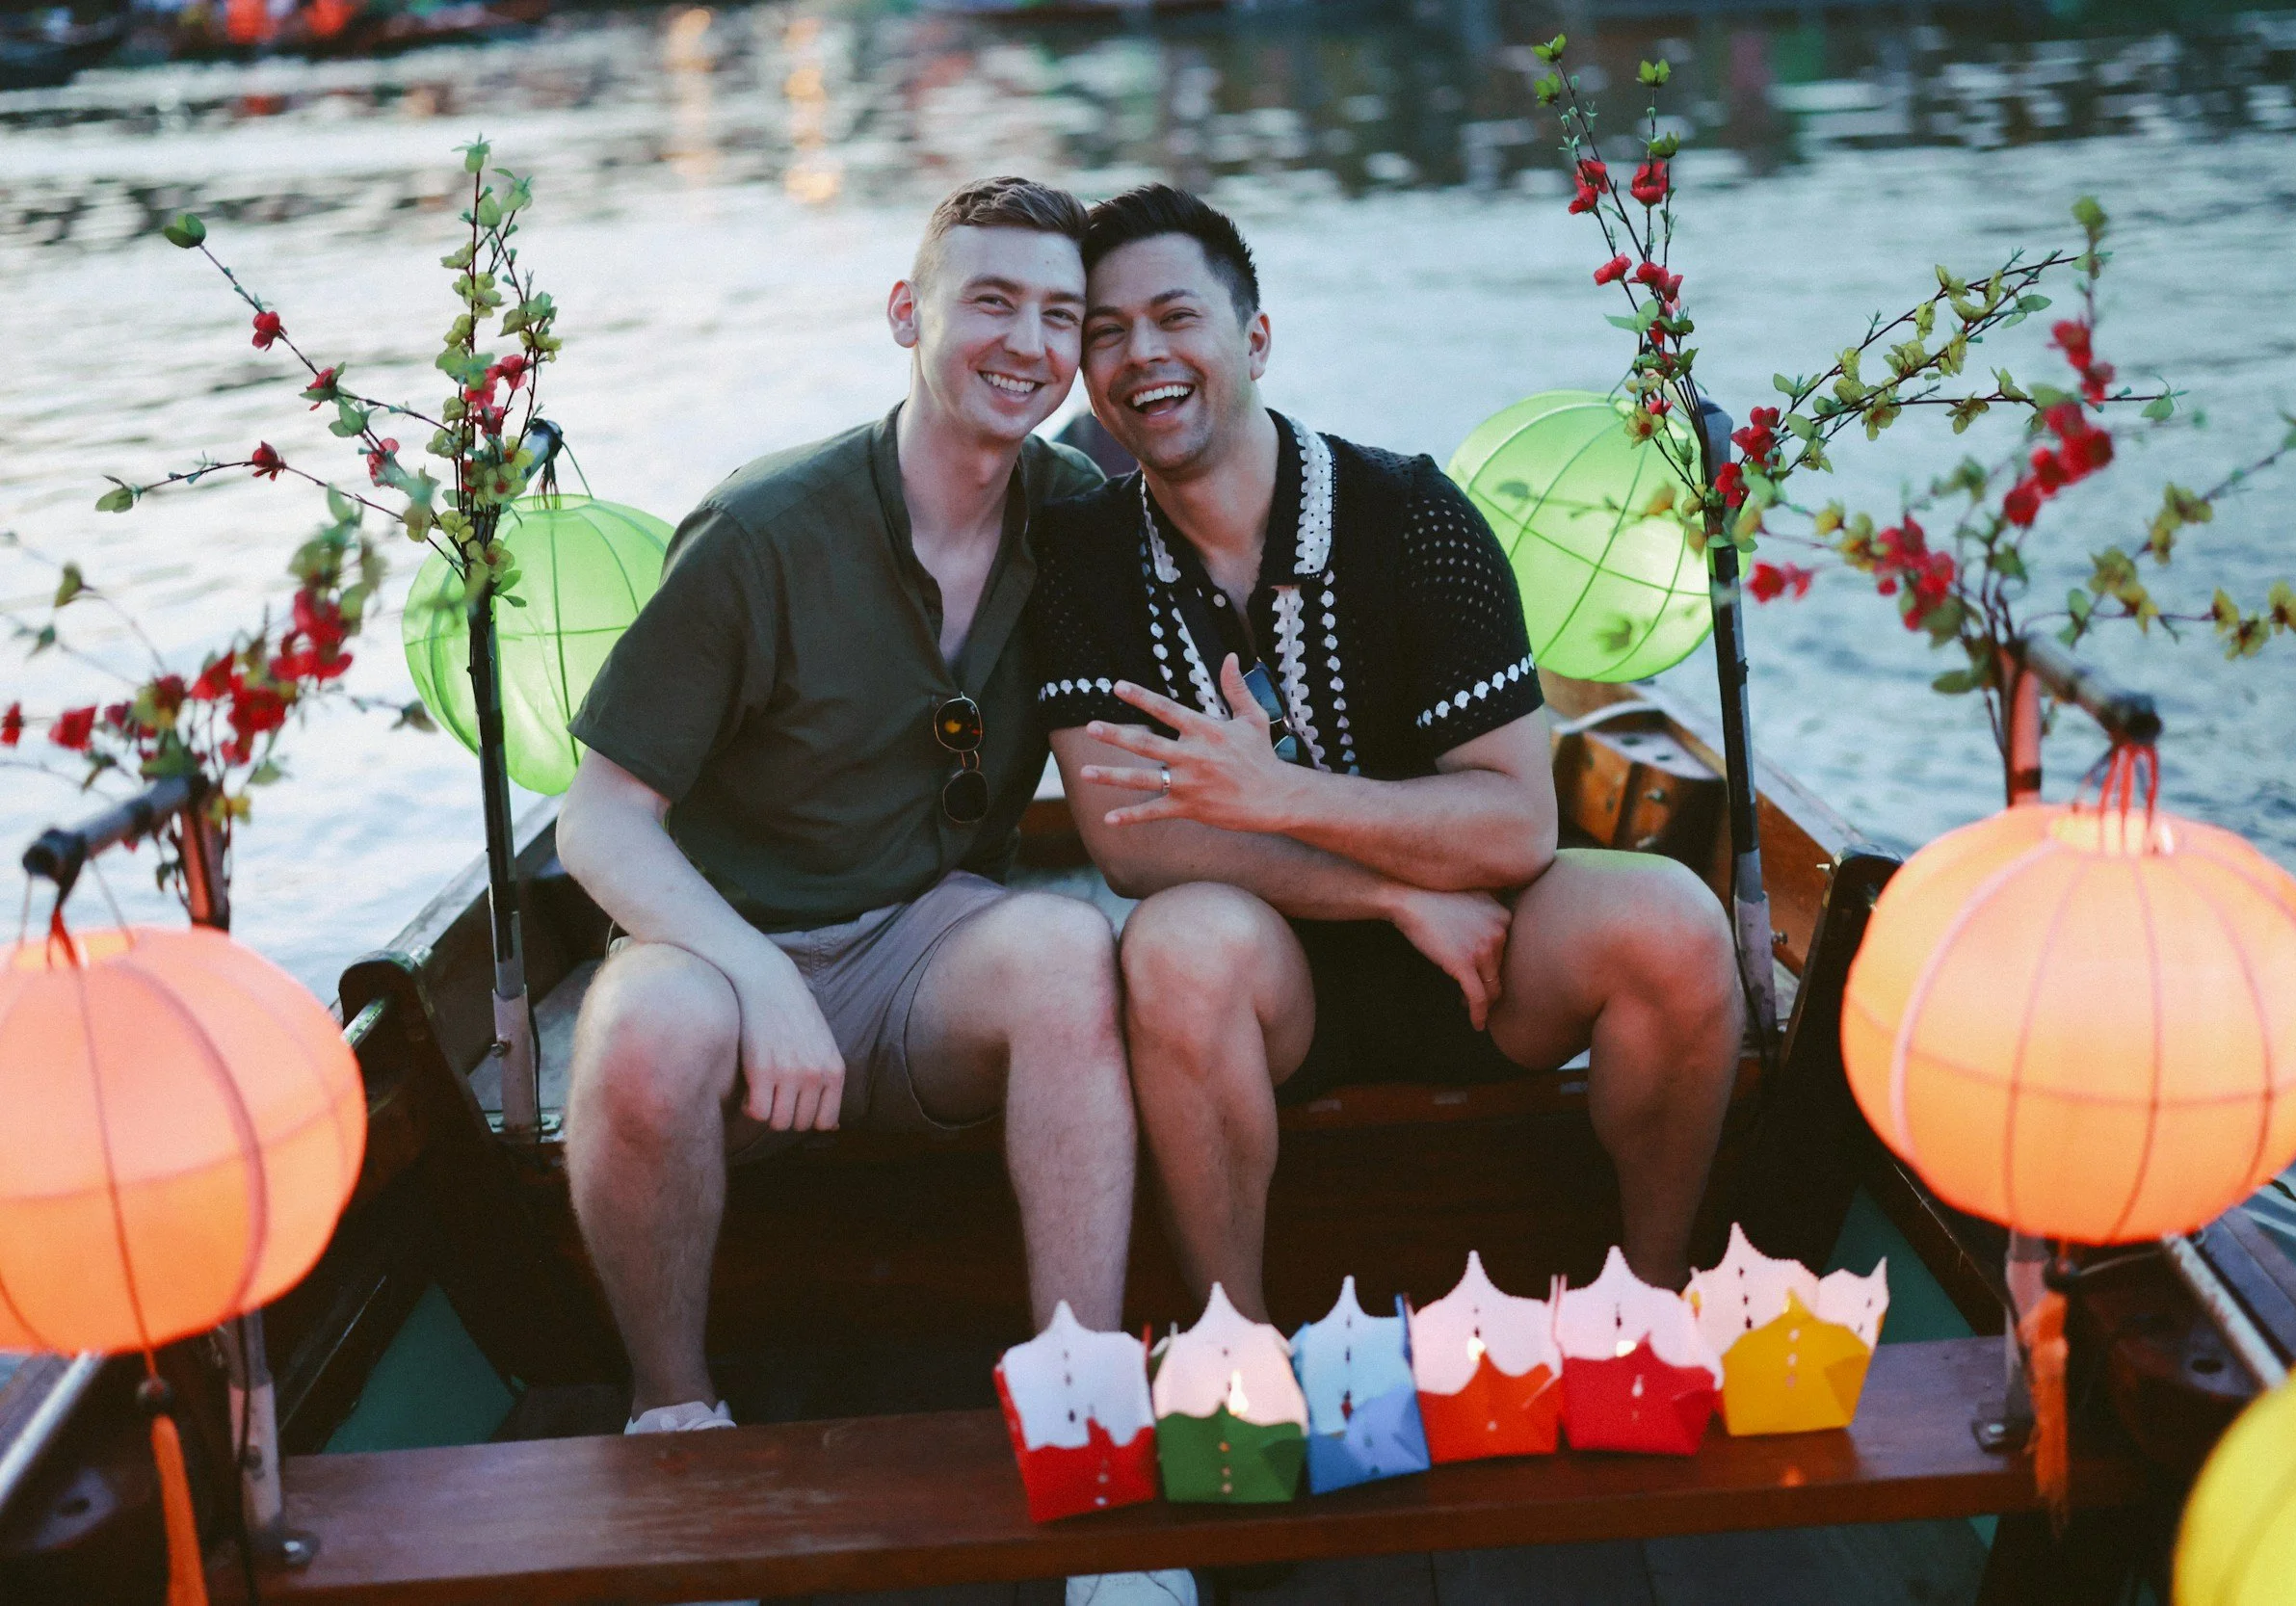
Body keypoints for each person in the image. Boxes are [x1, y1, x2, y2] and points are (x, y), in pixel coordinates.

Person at [1033, 185, 1744, 1319]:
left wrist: (1278, 795)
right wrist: (1391, 894)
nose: (1141, 354)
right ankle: (1234, 1348)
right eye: (1106, 332)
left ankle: (1645, 1311)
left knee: (1674, 922)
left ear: (1255, 339)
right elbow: (1132, 844)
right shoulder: (1078, 554)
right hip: (1273, 980)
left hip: (1490, 958)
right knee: (1174, 947)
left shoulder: (1410, 513)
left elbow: (1516, 825)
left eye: (1175, 316)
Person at [556, 175, 1138, 1443]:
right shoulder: (762, 530)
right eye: (991, 301)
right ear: (905, 313)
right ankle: (674, 1411)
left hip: (926, 949)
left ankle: (1085, 1402)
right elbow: (597, 818)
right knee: (639, 1032)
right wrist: (758, 972)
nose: (1027, 343)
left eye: (1059, 314)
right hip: (722, 954)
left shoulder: (1079, 517)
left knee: (1066, 949)